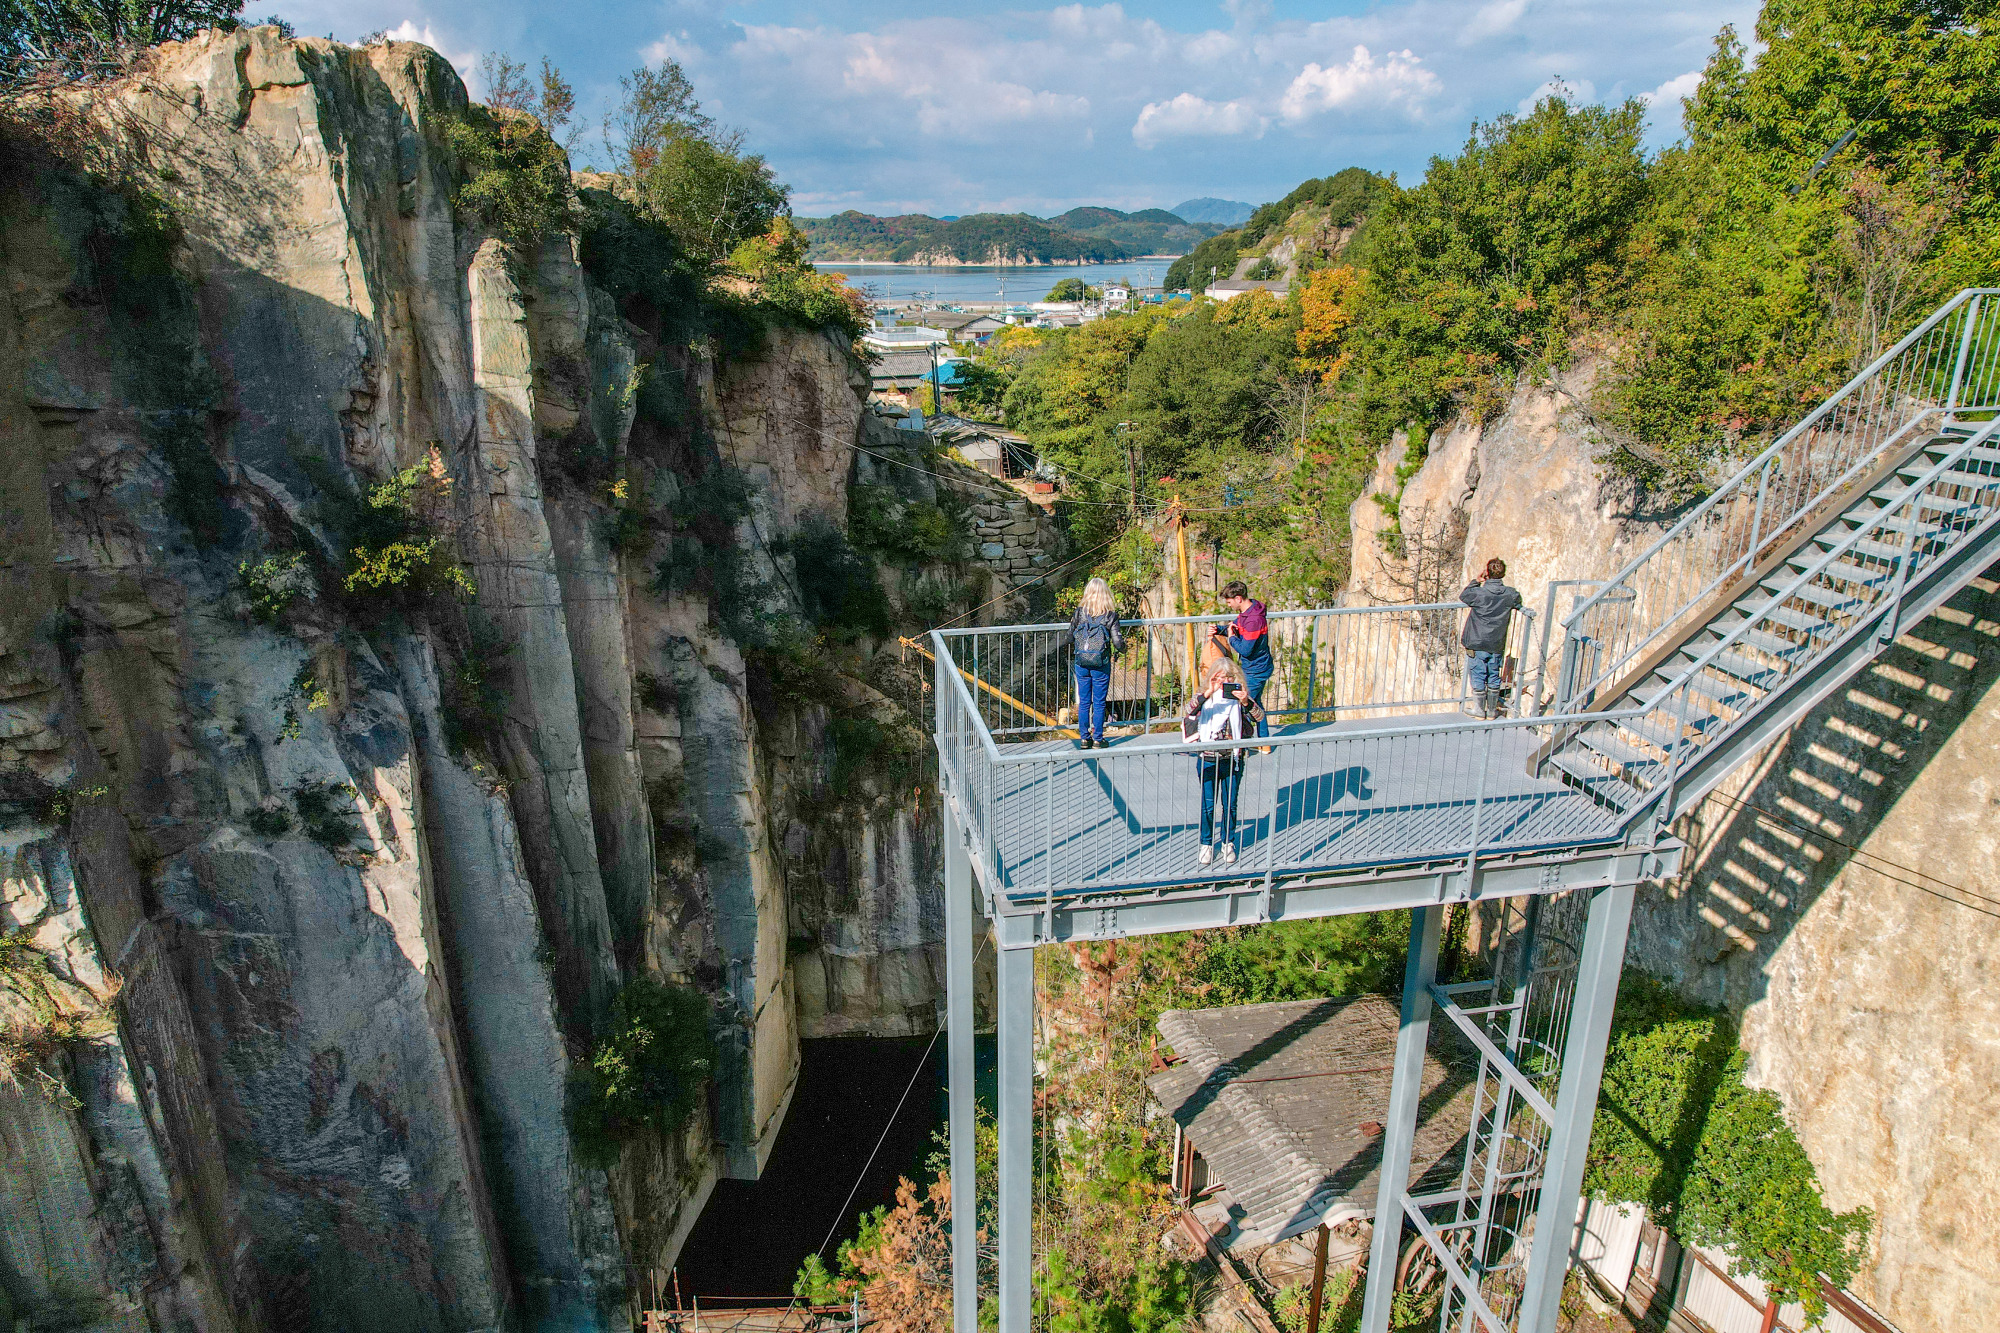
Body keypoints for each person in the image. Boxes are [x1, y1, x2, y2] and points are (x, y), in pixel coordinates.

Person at [1182, 660, 1252, 866]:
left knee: (1230, 804)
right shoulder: (1205, 695)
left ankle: (1228, 843)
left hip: (1232, 759)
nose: (1224, 682)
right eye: (1220, 677)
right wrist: (1208, 693)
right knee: (1208, 805)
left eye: (1228, 677)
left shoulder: (1239, 697)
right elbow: (1189, 710)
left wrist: (1245, 701)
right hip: (1208, 758)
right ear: (1213, 677)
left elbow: (1259, 716)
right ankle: (1206, 844)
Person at [1209, 580, 1273, 750]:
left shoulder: (1253, 620)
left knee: (1243, 704)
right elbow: (1235, 628)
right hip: (1253, 667)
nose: (1228, 605)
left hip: (1256, 669)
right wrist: (1219, 629)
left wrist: (1231, 638)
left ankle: (1243, 741)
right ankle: (1263, 742)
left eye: (1229, 601)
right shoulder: (1247, 613)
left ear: (1238, 598)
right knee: (1254, 703)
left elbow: (1245, 649)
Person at [1460, 557, 1523, 719]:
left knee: (1478, 674)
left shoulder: (1479, 593)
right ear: (1503, 574)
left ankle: (1479, 710)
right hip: (1496, 642)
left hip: (1477, 641)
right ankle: (1492, 711)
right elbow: (1518, 600)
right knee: (1494, 674)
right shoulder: (1510, 594)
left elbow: (1464, 595)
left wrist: (1476, 581)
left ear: (1486, 573)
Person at [1069, 577, 1123, 749]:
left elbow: (1070, 636)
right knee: (1099, 702)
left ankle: (1084, 739)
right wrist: (1124, 648)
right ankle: (1098, 739)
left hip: (1082, 662)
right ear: (1106, 594)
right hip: (1101, 663)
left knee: (1084, 702)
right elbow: (1118, 643)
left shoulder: (1080, 612)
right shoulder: (1110, 615)